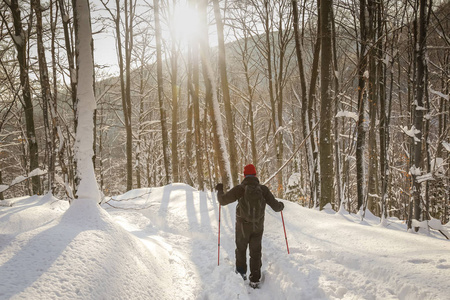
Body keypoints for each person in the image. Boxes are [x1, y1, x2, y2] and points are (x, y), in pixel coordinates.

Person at [215, 164, 284, 289]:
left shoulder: (240, 189)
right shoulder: (263, 190)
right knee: (255, 252)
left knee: (241, 249)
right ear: (255, 175)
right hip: (257, 227)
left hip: (242, 226)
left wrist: (220, 190)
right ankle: (255, 280)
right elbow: (276, 207)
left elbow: (223, 201)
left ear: (245, 175)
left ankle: (241, 274)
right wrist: (281, 205)